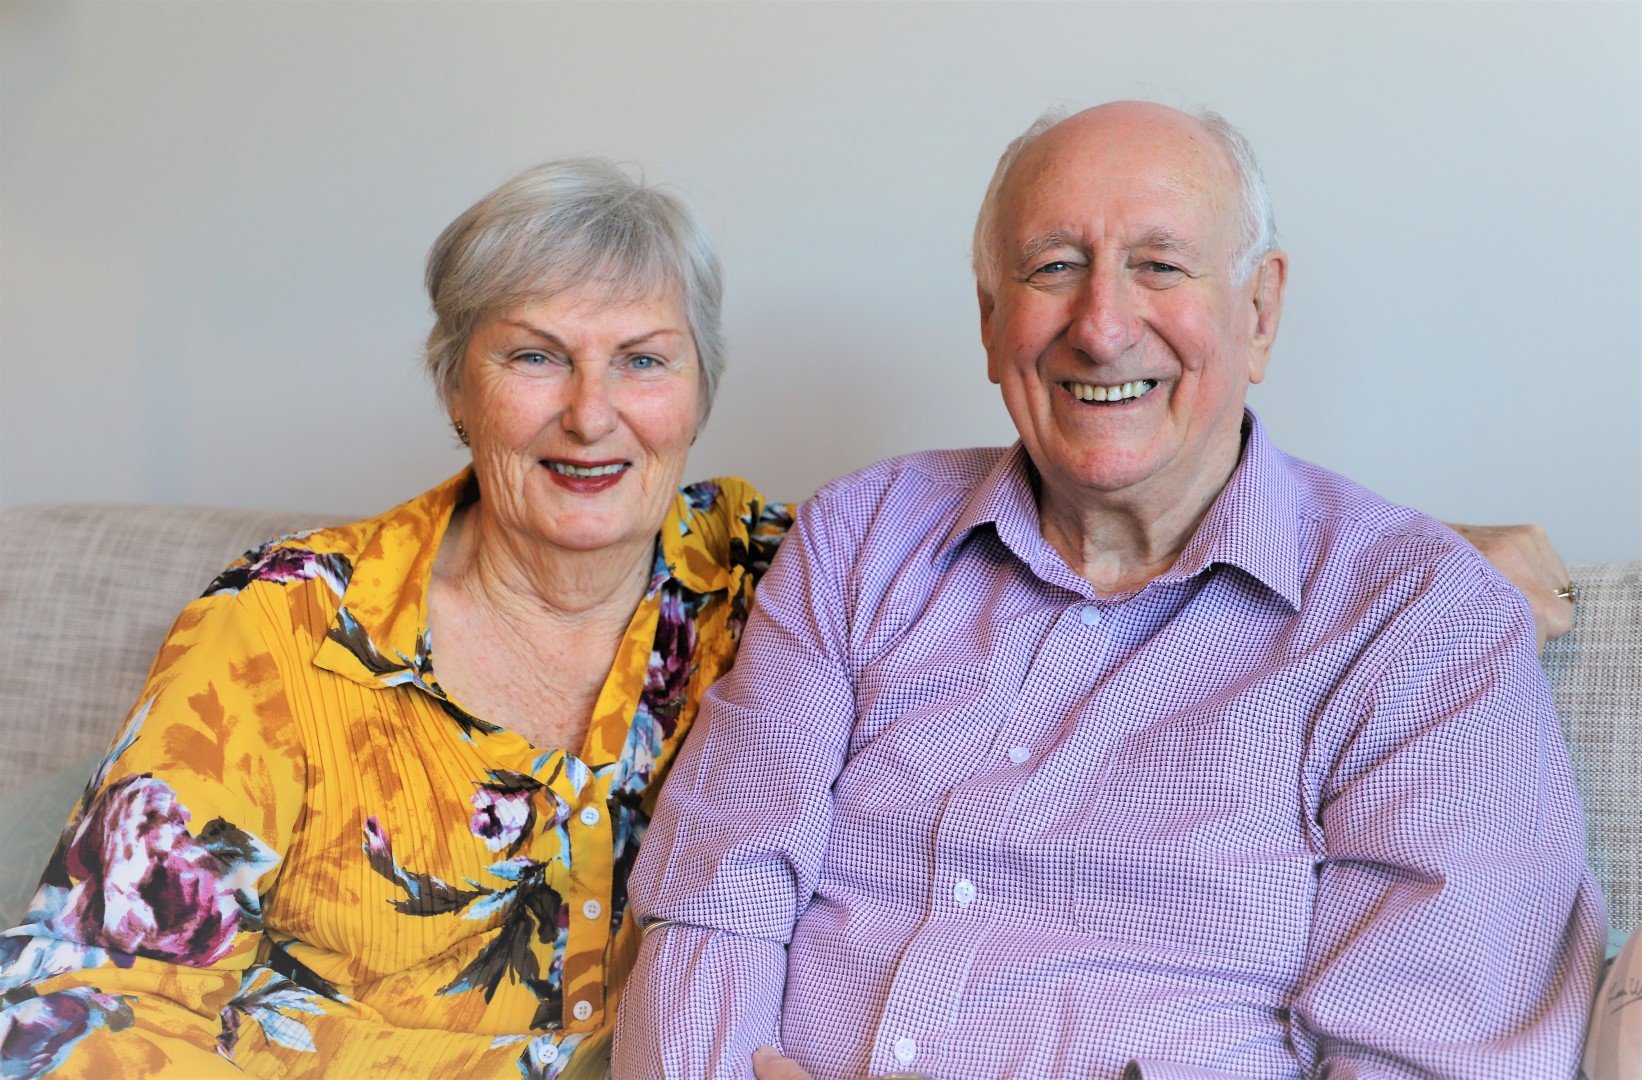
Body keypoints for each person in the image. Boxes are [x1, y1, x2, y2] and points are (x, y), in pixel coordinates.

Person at [612, 102, 1607, 1079]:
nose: (1100, 326)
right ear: (990, 318)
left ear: (1260, 312)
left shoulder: (1421, 624)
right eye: (1054, 267)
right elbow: (712, 904)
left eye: (1159, 266)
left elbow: (1435, 1056)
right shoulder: (857, 540)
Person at [0, 159, 792, 1078]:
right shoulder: (288, 623)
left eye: (643, 361)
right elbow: (85, 997)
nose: (589, 415)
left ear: (701, 391)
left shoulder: (787, 592)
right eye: (535, 357)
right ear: (457, 388)